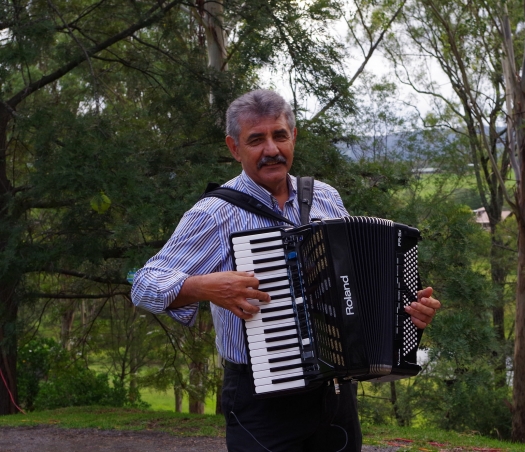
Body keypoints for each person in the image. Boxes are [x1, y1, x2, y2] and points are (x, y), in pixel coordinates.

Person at [131, 89, 441, 452]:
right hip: (262, 400)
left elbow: (353, 290)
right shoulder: (214, 213)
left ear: (293, 137)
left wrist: (404, 313)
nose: (271, 150)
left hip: (335, 396)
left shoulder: (324, 197)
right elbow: (144, 285)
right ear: (234, 148)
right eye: (256, 139)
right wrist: (205, 287)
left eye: (279, 135)